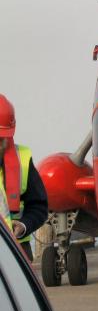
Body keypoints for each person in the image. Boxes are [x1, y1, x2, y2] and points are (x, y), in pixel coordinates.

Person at [0, 94, 48, 260]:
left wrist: (23, 225)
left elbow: (39, 207)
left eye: (1, 139)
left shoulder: (23, 160)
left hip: (17, 249)